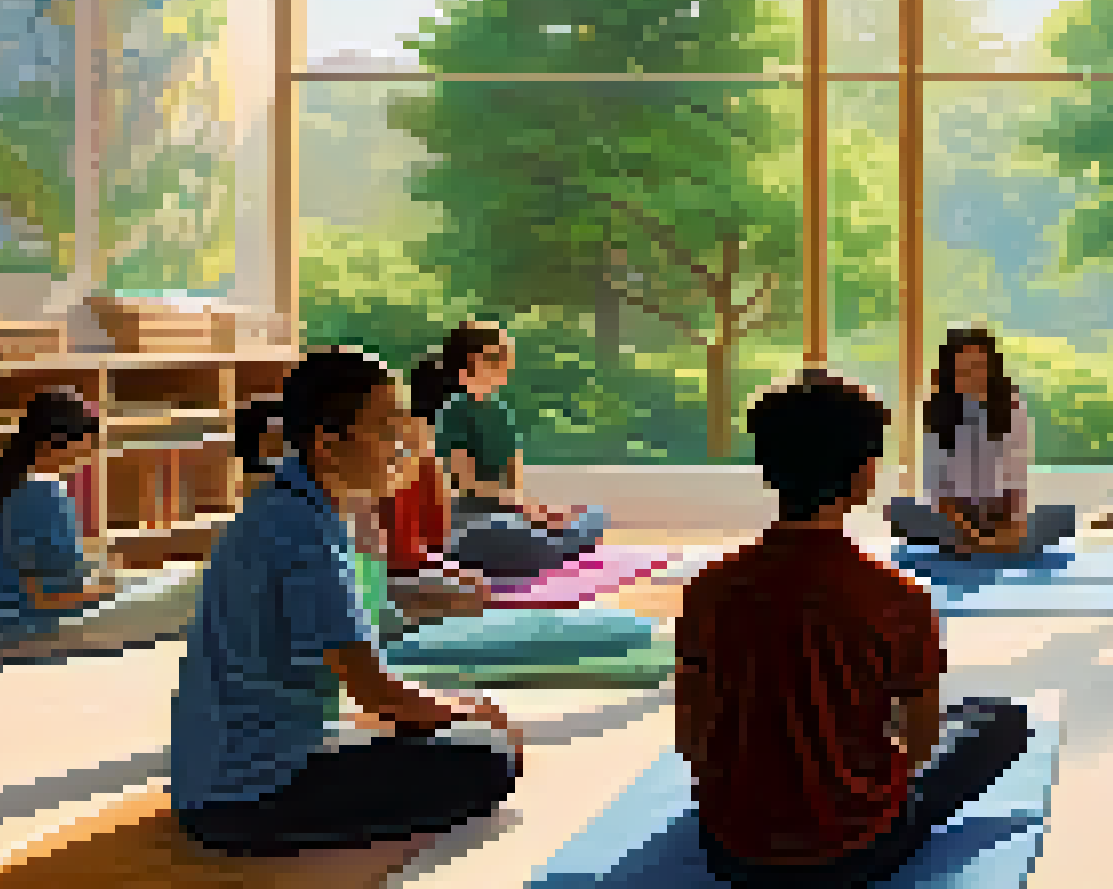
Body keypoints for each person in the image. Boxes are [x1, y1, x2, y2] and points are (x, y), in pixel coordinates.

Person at [680, 368, 1032, 885]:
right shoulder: (899, 598)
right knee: (1000, 722)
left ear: (766, 467)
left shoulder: (707, 590)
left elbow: (693, 738)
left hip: (735, 850)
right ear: (866, 473)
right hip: (855, 849)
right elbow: (919, 744)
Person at [172, 348, 523, 856]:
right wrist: (471, 711)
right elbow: (373, 692)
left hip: (221, 772)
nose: (401, 445)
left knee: (449, 735)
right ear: (329, 444)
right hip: (246, 795)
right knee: (489, 756)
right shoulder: (304, 533)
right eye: (386, 428)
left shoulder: (286, 504)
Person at [0, 388, 202, 657]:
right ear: (56, 442)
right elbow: (48, 598)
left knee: (155, 578)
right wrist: (109, 587)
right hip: (28, 629)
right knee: (188, 584)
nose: (88, 455)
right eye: (85, 446)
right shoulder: (45, 492)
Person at [415, 322, 609, 580]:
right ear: (472, 361)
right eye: (496, 356)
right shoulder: (455, 411)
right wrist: (526, 510)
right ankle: (544, 551)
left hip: (509, 517)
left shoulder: (501, 412)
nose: (505, 363)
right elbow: (466, 484)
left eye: (507, 355)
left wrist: (541, 513)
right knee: (509, 532)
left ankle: (545, 549)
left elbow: (513, 486)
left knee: (594, 516)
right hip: (472, 522)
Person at [888, 327, 1074, 556]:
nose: (972, 376)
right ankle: (994, 548)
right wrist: (969, 532)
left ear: (991, 369)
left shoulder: (1012, 406)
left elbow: (1015, 480)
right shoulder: (936, 410)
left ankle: (984, 546)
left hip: (999, 512)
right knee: (900, 512)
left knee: (1062, 516)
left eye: (978, 367)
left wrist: (1009, 527)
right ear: (950, 371)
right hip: (951, 515)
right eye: (963, 369)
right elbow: (937, 487)